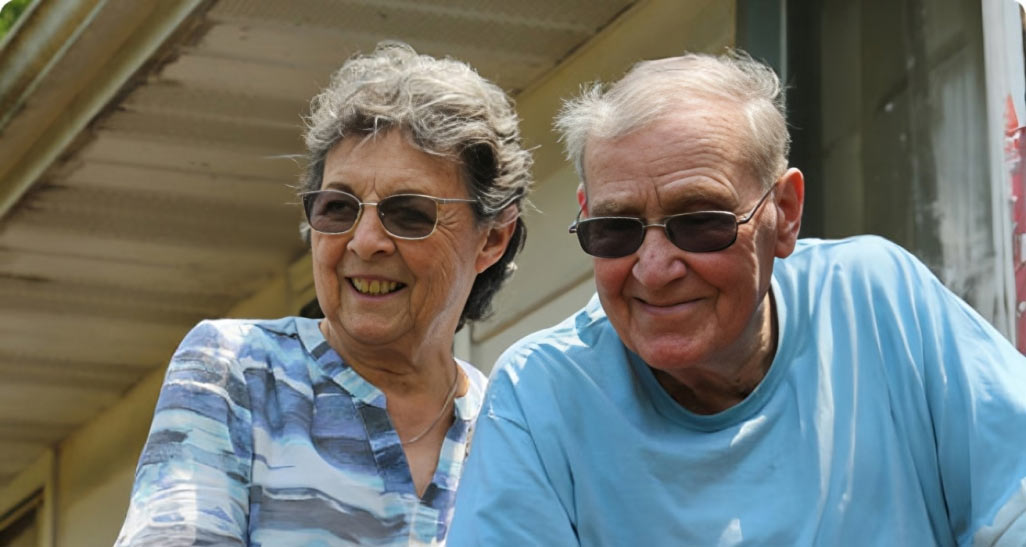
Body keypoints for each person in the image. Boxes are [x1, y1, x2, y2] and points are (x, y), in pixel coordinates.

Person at [447, 50, 1026, 546]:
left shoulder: (876, 301)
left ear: (786, 212)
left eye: (698, 221)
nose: (653, 269)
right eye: (616, 228)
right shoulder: (540, 393)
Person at [115, 41, 532, 545]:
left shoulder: (512, 427)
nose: (366, 241)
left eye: (409, 213)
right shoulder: (241, 370)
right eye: (338, 207)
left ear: (491, 238)